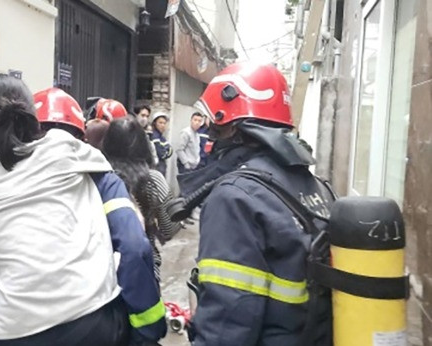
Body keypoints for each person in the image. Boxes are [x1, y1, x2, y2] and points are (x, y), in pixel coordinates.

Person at [0, 87, 166, 346]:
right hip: (93, 326)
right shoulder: (89, 166)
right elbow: (134, 245)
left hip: (4, 332)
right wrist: (146, 333)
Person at [188, 62, 333, 345]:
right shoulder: (315, 186)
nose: (212, 134)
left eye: (215, 126)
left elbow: (228, 321)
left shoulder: (235, 197)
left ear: (229, 125)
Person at [102, 117, 182, 282]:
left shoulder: (97, 177)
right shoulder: (153, 180)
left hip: (101, 272)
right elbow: (169, 229)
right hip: (143, 271)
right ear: (143, 145)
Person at [149, 111, 173, 176]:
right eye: (160, 122)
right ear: (155, 123)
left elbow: (170, 150)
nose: (163, 125)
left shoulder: (162, 138)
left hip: (161, 167)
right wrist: (166, 152)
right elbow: (160, 154)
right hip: (156, 168)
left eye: (164, 123)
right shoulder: (154, 136)